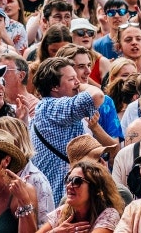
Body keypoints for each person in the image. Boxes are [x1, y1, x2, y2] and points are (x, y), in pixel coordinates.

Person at [29, 56, 104, 203]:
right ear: (54, 87)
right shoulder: (53, 106)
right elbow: (97, 95)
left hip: (60, 194)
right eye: (71, 79)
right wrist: (82, 85)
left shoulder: (45, 107)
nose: (77, 82)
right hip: (60, 197)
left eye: (77, 78)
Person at [37, 160, 124, 233]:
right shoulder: (62, 211)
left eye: (76, 181)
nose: (69, 185)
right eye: (68, 179)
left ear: (94, 188)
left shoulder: (109, 214)